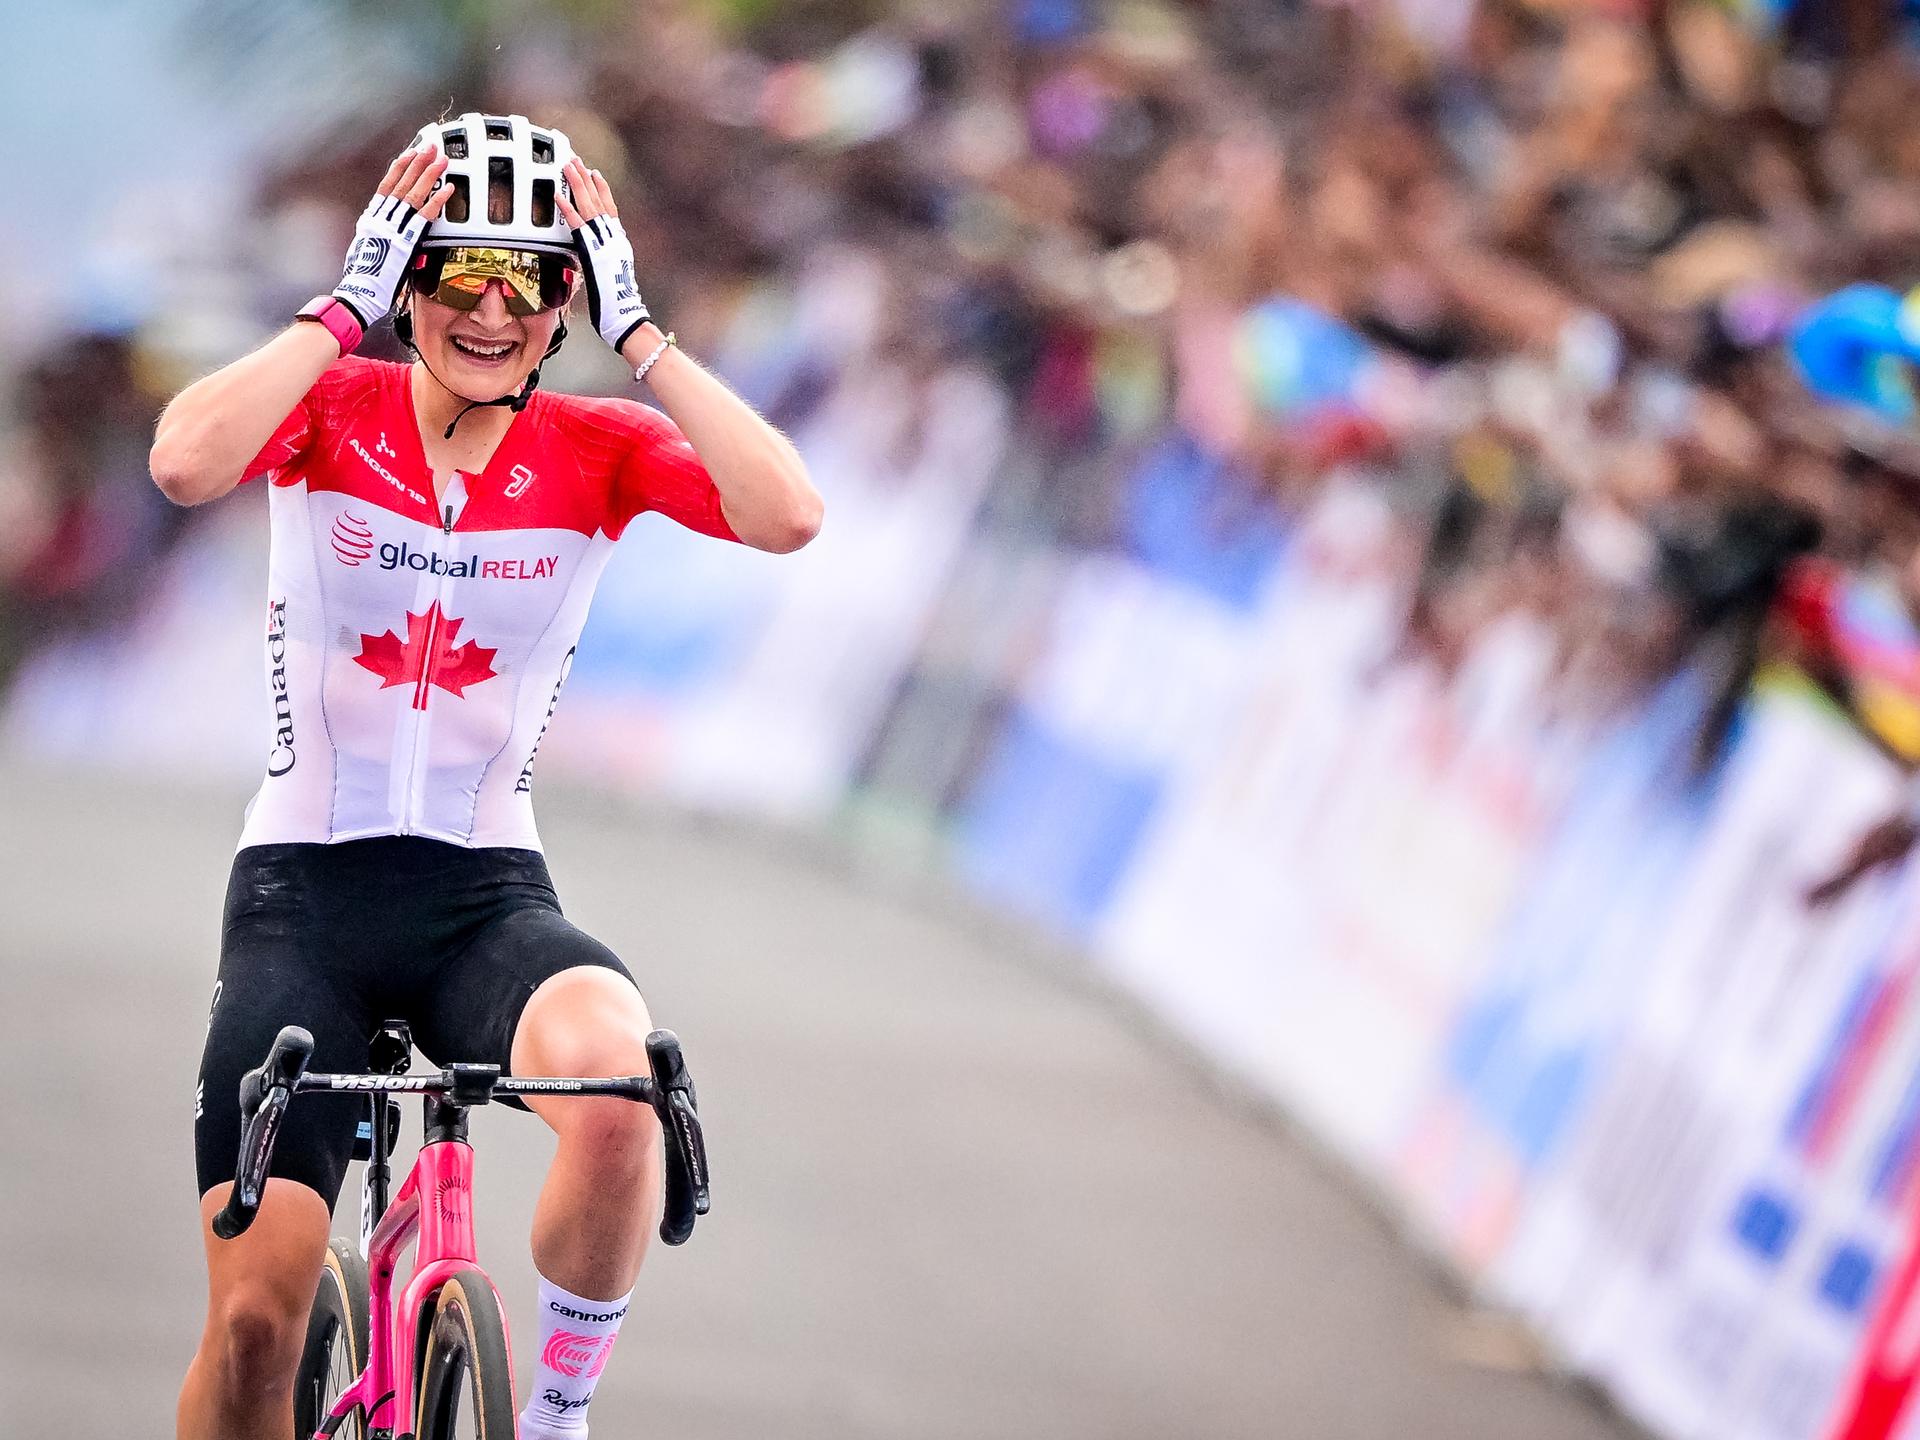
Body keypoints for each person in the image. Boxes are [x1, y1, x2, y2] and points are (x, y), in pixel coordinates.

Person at [150, 113, 822, 1440]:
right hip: (303, 904)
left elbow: (788, 513)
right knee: (251, 1336)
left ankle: (557, 1419)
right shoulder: (324, 411)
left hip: (484, 901)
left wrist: (645, 338)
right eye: (462, 276)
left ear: (565, 301)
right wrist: (335, 316)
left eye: (532, 282)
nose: (495, 311)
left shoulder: (599, 448)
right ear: (412, 285)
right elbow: (183, 461)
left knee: (627, 1097)